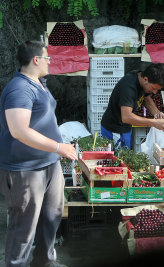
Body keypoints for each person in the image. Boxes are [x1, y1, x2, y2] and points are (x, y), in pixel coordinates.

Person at [0, 40, 77, 267]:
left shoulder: (40, 83)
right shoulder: (19, 88)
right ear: (36, 60)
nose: (50, 62)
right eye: (47, 58)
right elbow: (19, 130)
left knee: (51, 219)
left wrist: (55, 152)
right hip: (25, 169)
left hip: (49, 165)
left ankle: (44, 262)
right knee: (24, 227)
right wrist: (57, 147)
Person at [101, 63, 164, 149]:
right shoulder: (128, 88)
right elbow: (126, 117)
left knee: (125, 157)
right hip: (114, 129)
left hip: (125, 128)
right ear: (145, 79)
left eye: (157, 89)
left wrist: (156, 112)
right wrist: (154, 122)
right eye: (153, 88)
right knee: (117, 159)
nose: (154, 92)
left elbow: (146, 98)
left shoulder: (141, 78)